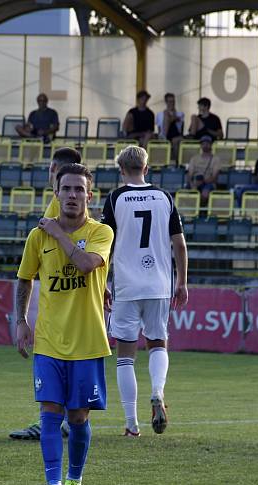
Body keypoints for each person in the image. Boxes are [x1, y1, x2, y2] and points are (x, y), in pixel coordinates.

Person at [15, 163, 114, 485]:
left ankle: (75, 481)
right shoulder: (36, 237)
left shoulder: (102, 232)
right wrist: (21, 321)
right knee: (50, 413)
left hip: (87, 342)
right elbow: (25, 278)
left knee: (77, 417)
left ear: (90, 195)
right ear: (55, 193)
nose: (72, 195)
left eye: (78, 190)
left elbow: (87, 265)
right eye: (66, 189)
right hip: (49, 341)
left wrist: (59, 233)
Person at [101, 146, 188, 437]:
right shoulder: (164, 197)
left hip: (127, 284)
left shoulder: (115, 198)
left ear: (121, 170)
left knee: (125, 355)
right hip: (159, 283)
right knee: (158, 343)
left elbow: (106, 246)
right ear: (146, 169)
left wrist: (103, 284)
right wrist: (182, 282)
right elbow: (179, 244)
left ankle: (131, 423)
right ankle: (158, 392)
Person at [9, 145, 82, 441]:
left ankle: (55, 419)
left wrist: (22, 319)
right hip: (70, 292)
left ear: (55, 170)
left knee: (55, 356)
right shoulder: (75, 202)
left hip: (61, 293)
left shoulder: (57, 207)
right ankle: (61, 418)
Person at [185, 135, 221, 203]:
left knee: (205, 192)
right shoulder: (194, 158)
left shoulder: (216, 159)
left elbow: (214, 177)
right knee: (191, 191)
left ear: (211, 145)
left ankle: (202, 211)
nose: (205, 145)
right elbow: (190, 174)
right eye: (203, 143)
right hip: (195, 181)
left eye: (207, 143)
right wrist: (192, 183)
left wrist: (203, 181)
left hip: (208, 183)